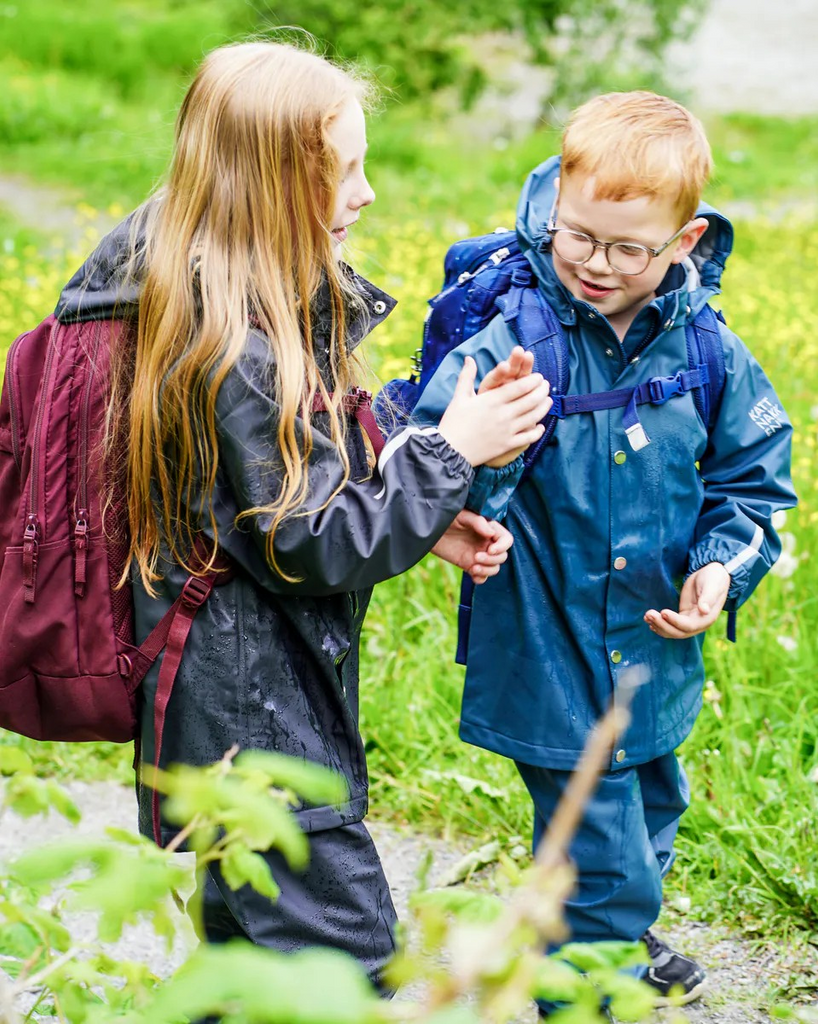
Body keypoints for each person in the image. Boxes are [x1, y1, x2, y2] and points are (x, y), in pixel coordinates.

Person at [52, 41, 552, 991]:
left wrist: (425, 504)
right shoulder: (233, 340)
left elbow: (274, 499)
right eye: (345, 169)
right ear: (275, 184)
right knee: (345, 969)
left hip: (224, 699)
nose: (365, 193)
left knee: (247, 970)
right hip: (258, 717)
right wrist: (453, 449)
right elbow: (306, 542)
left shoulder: (209, 290)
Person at [413, 90, 796, 1014]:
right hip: (546, 644)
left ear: (683, 239)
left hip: (654, 638)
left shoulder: (706, 348)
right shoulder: (519, 338)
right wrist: (482, 450)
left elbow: (753, 479)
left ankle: (607, 927)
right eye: (578, 236)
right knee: (601, 850)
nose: (595, 263)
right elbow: (425, 472)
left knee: (653, 805)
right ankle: (591, 982)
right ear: (555, 212)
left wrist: (720, 566)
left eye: (629, 248)